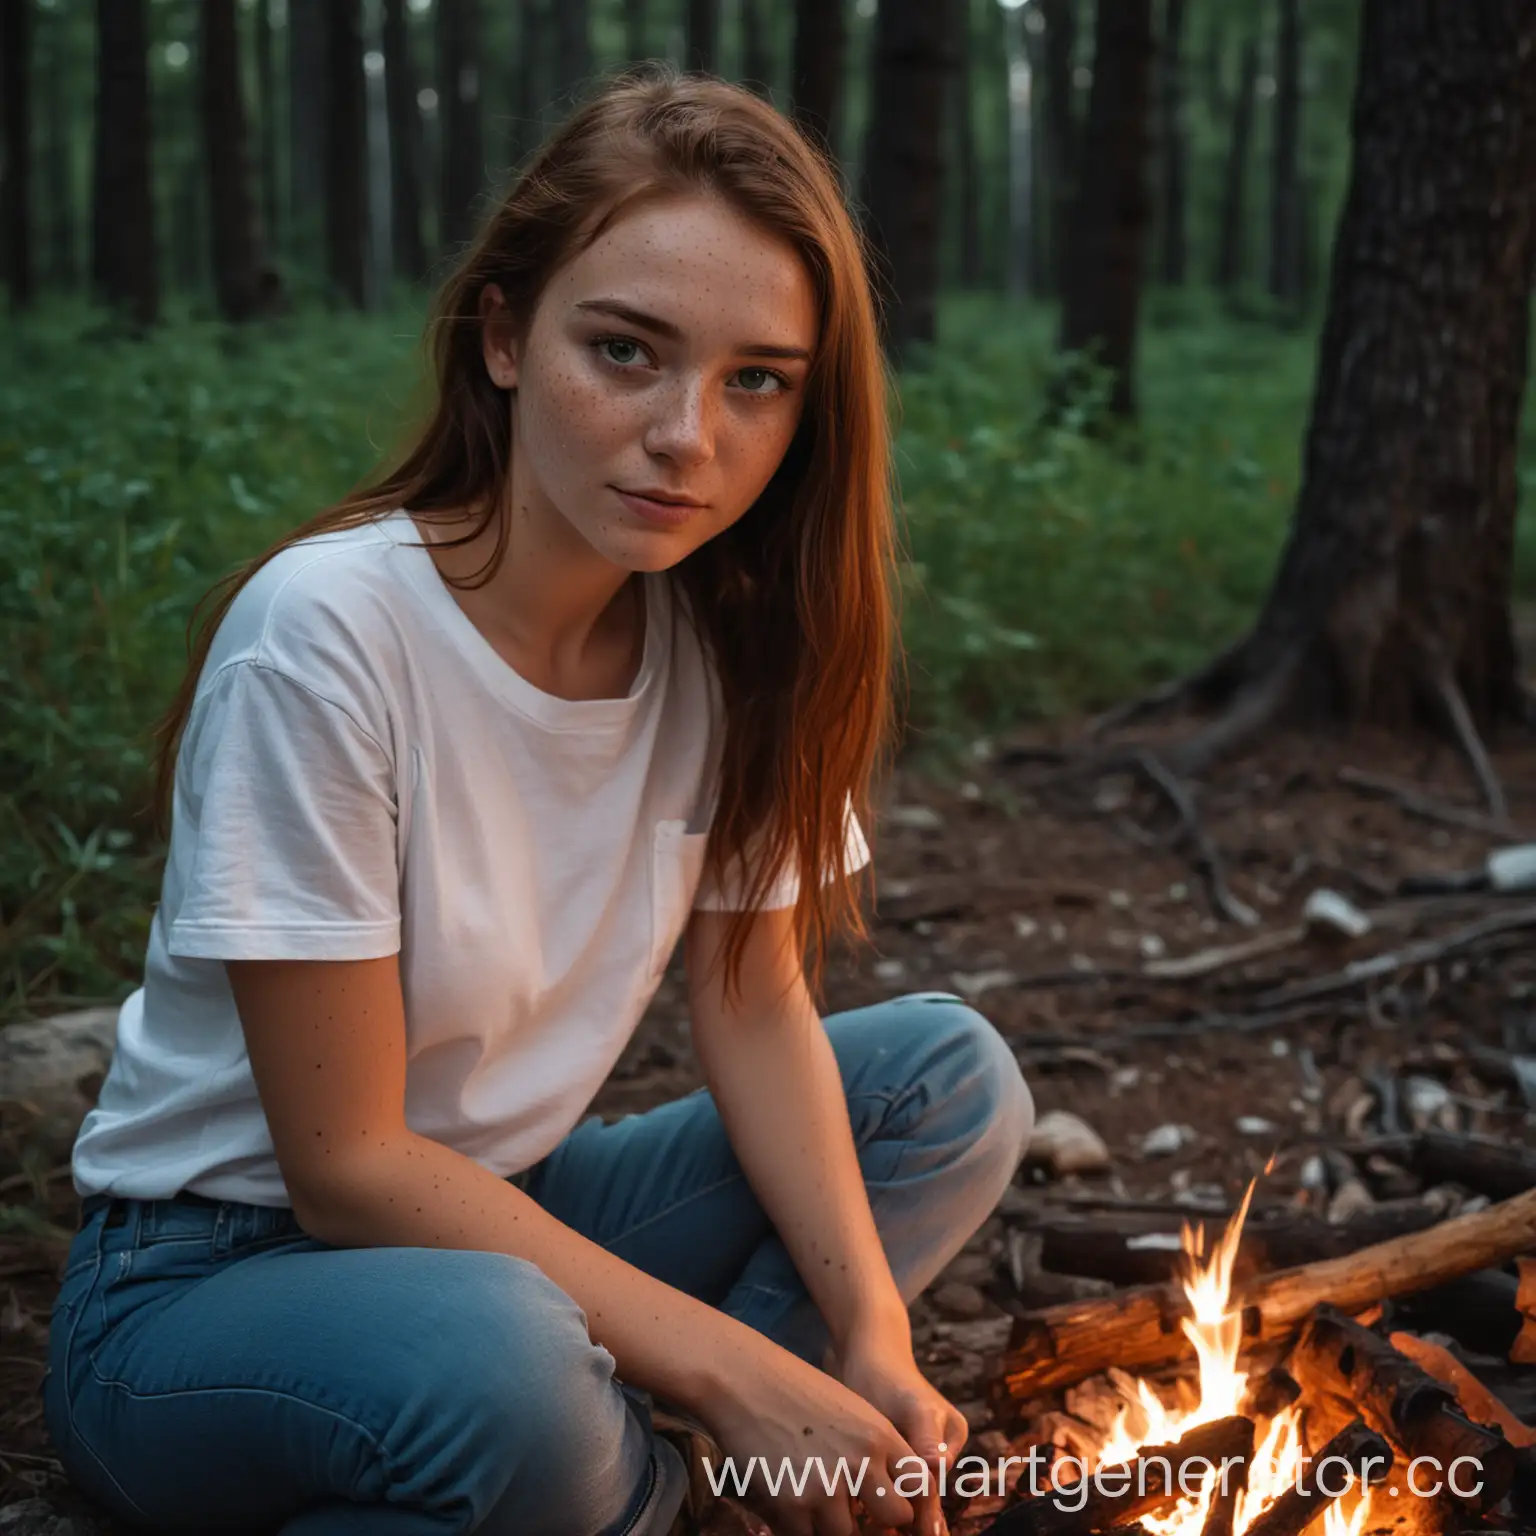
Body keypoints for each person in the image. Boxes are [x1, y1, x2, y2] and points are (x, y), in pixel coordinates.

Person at [44, 70, 1034, 1536]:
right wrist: (738, 1367)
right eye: (625, 350)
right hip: (208, 1285)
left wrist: (869, 1337)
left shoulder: (724, 646)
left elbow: (756, 1006)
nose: (686, 434)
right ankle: (643, 1465)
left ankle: (648, 1476)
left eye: (756, 379)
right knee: (516, 1370)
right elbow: (349, 1168)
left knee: (947, 1083)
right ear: (505, 335)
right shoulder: (331, 632)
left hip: (510, 1211)